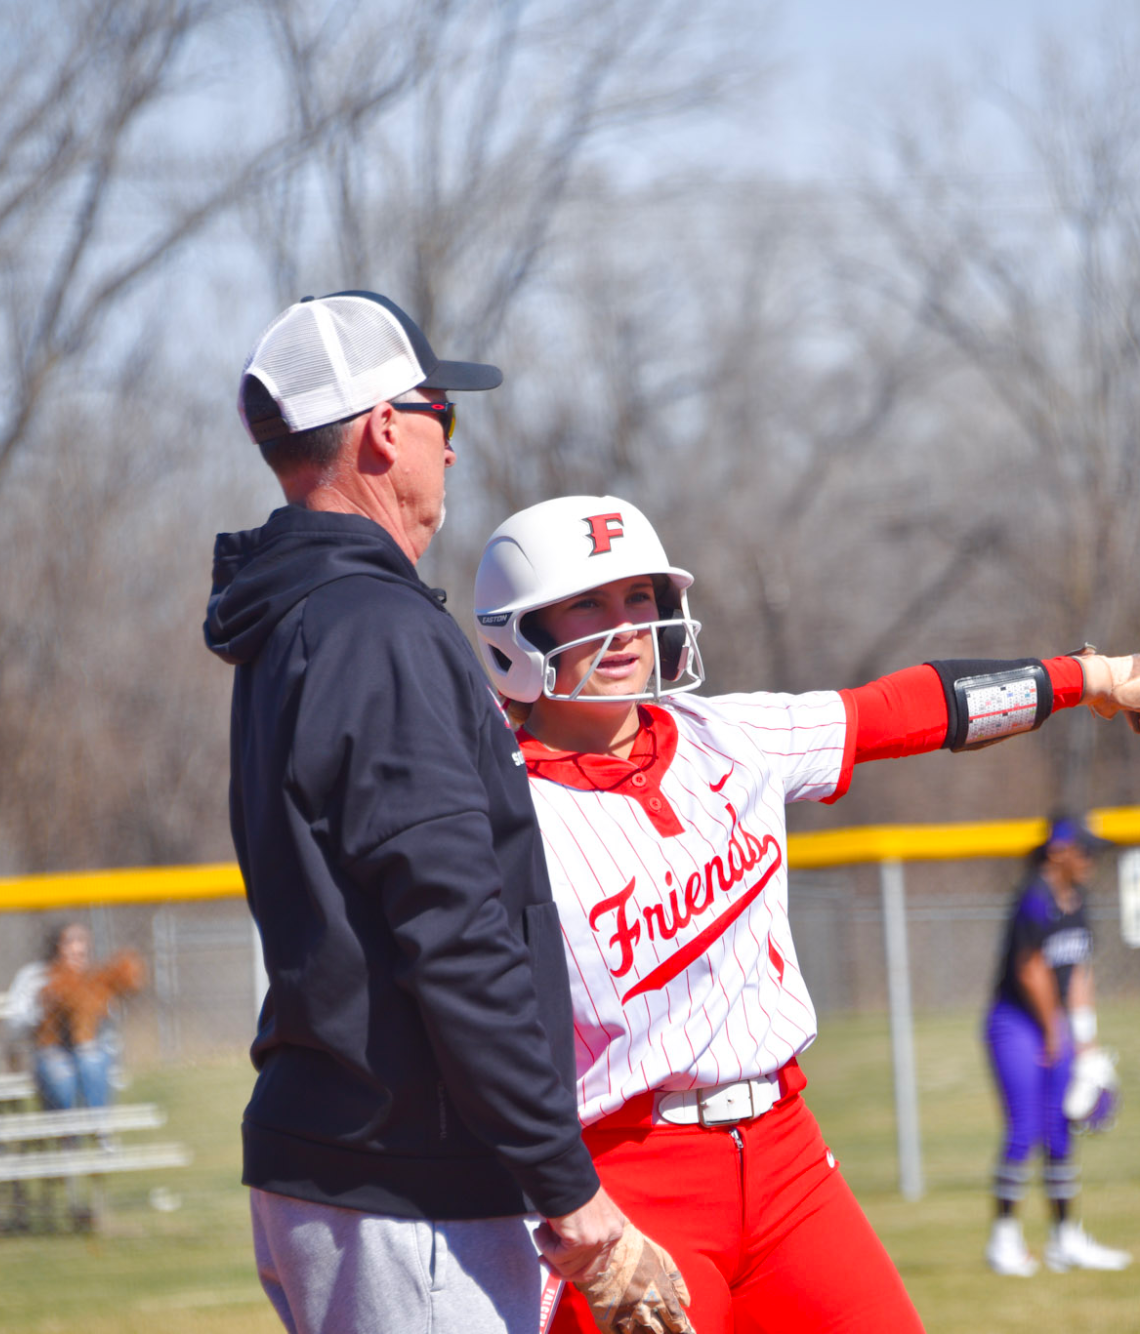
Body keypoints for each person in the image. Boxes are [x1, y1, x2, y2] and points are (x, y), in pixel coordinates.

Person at [470, 494, 1140, 1333]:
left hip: (786, 1156)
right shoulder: (489, 808)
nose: (626, 627)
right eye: (587, 604)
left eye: (640, 598)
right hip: (630, 1173)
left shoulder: (728, 735)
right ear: (518, 632)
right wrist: (570, 1215)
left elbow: (905, 712)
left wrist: (1091, 679)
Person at [203, 295, 687, 1334]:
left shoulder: (298, 616)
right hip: (405, 1178)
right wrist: (567, 1185)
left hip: (342, 1157)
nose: (451, 452)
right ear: (383, 427)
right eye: (440, 418)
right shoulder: (374, 627)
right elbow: (452, 931)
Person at [983, 815, 1130, 1277]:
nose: (1091, 860)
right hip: (1016, 1023)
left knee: (1060, 1129)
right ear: (1058, 852)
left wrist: (1085, 1044)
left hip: (1055, 1025)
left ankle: (1066, 1238)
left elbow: (1079, 969)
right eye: (1084, 851)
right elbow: (1032, 970)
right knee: (1024, 1127)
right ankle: (1004, 1238)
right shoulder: (1035, 898)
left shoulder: (1078, 900)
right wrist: (1053, 1033)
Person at [4, 922, 143, 1113]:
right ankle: (68, 1137)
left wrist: (98, 1011)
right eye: (70, 942)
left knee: (91, 1062)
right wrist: (44, 1009)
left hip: (88, 1048)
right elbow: (14, 1019)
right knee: (61, 1075)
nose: (77, 948)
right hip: (49, 1050)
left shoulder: (94, 977)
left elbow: (107, 1022)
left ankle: (98, 1128)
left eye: (82, 942)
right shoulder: (35, 976)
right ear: (56, 947)